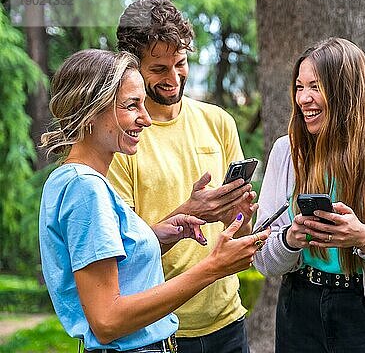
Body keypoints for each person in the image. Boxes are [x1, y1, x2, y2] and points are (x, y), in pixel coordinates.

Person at [39, 49, 269, 353]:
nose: (146, 119)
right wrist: (214, 267)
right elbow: (107, 321)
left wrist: (155, 236)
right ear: (91, 111)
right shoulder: (85, 189)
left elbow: (118, 274)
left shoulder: (71, 180)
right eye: (132, 105)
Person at [253, 37, 365, 353]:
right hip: (300, 311)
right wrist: (291, 239)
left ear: (345, 91)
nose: (303, 99)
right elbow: (262, 259)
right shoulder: (287, 152)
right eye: (299, 87)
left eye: (315, 87)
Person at [107, 0, 257, 353]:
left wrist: (241, 214)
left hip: (228, 322)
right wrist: (191, 212)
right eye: (159, 69)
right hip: (158, 333)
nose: (174, 79)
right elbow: (123, 256)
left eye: (180, 63)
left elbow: (241, 226)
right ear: (131, 67)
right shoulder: (119, 137)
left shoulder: (218, 121)